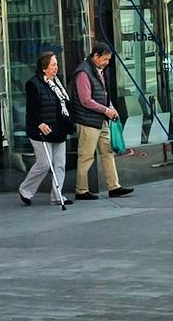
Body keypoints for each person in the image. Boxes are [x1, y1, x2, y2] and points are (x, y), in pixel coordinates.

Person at [71, 41, 133, 198]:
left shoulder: (98, 70)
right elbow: (86, 100)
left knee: (107, 152)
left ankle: (114, 186)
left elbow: (103, 95)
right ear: (96, 56)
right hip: (88, 122)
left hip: (101, 120)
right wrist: (106, 110)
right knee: (86, 156)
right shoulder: (83, 73)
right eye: (105, 59)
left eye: (108, 60)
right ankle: (81, 190)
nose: (107, 63)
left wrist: (110, 108)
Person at [17, 50, 72, 209]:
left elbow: (64, 103)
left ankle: (57, 196)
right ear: (44, 67)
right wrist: (40, 123)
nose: (56, 67)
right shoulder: (33, 84)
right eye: (53, 64)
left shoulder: (58, 82)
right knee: (44, 163)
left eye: (56, 64)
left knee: (60, 164)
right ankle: (25, 190)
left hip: (58, 129)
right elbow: (32, 109)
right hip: (41, 130)